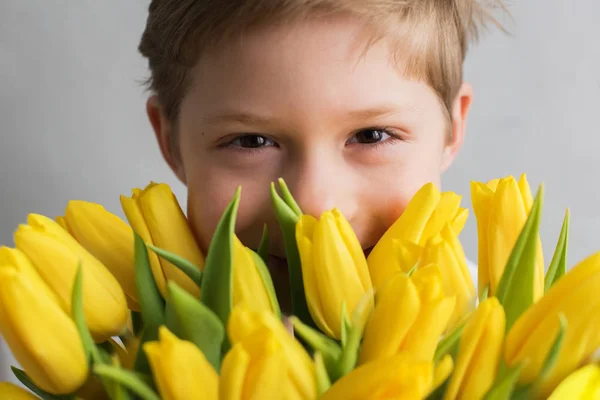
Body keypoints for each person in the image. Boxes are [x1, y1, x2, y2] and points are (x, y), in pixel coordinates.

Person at [138, 0, 503, 309]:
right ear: (170, 141)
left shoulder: (497, 347)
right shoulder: (125, 364)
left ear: (451, 129)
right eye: (251, 141)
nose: (313, 206)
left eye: (370, 135)